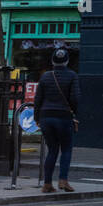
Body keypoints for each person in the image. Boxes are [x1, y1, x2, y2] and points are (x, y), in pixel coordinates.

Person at [34, 48, 81, 193]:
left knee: (52, 150)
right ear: (67, 61)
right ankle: (63, 180)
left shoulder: (45, 76)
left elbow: (38, 99)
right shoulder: (72, 75)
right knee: (66, 149)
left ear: (53, 61)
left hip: (46, 117)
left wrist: (37, 118)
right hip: (63, 116)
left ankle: (47, 183)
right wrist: (73, 112)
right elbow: (75, 98)